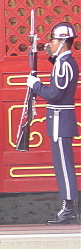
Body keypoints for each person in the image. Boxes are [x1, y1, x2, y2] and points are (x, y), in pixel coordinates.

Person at [27, 22, 79, 225]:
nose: (51, 43)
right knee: (62, 165)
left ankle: (70, 208)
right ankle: (69, 207)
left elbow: (55, 94)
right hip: (59, 120)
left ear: (64, 42)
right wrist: (50, 56)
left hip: (60, 120)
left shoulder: (65, 64)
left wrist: (36, 85)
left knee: (64, 166)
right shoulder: (62, 62)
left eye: (54, 40)